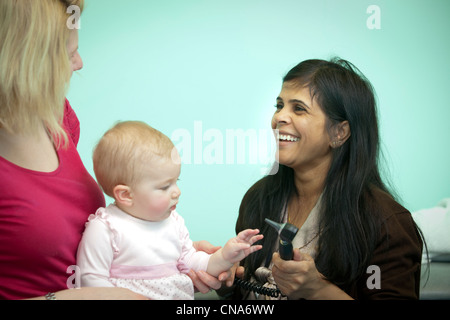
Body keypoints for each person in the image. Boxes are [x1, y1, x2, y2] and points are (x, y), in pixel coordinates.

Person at [218, 58, 424, 300]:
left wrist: (318, 290)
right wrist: (225, 281)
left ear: (339, 133)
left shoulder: (386, 223)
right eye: (279, 105)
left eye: (298, 108)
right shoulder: (259, 199)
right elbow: (242, 291)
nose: (279, 118)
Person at [76, 121, 263, 299]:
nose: (177, 192)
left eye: (176, 181)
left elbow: (194, 264)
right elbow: (91, 282)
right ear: (126, 195)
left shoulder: (173, 222)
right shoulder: (105, 228)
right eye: (165, 187)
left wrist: (223, 257)